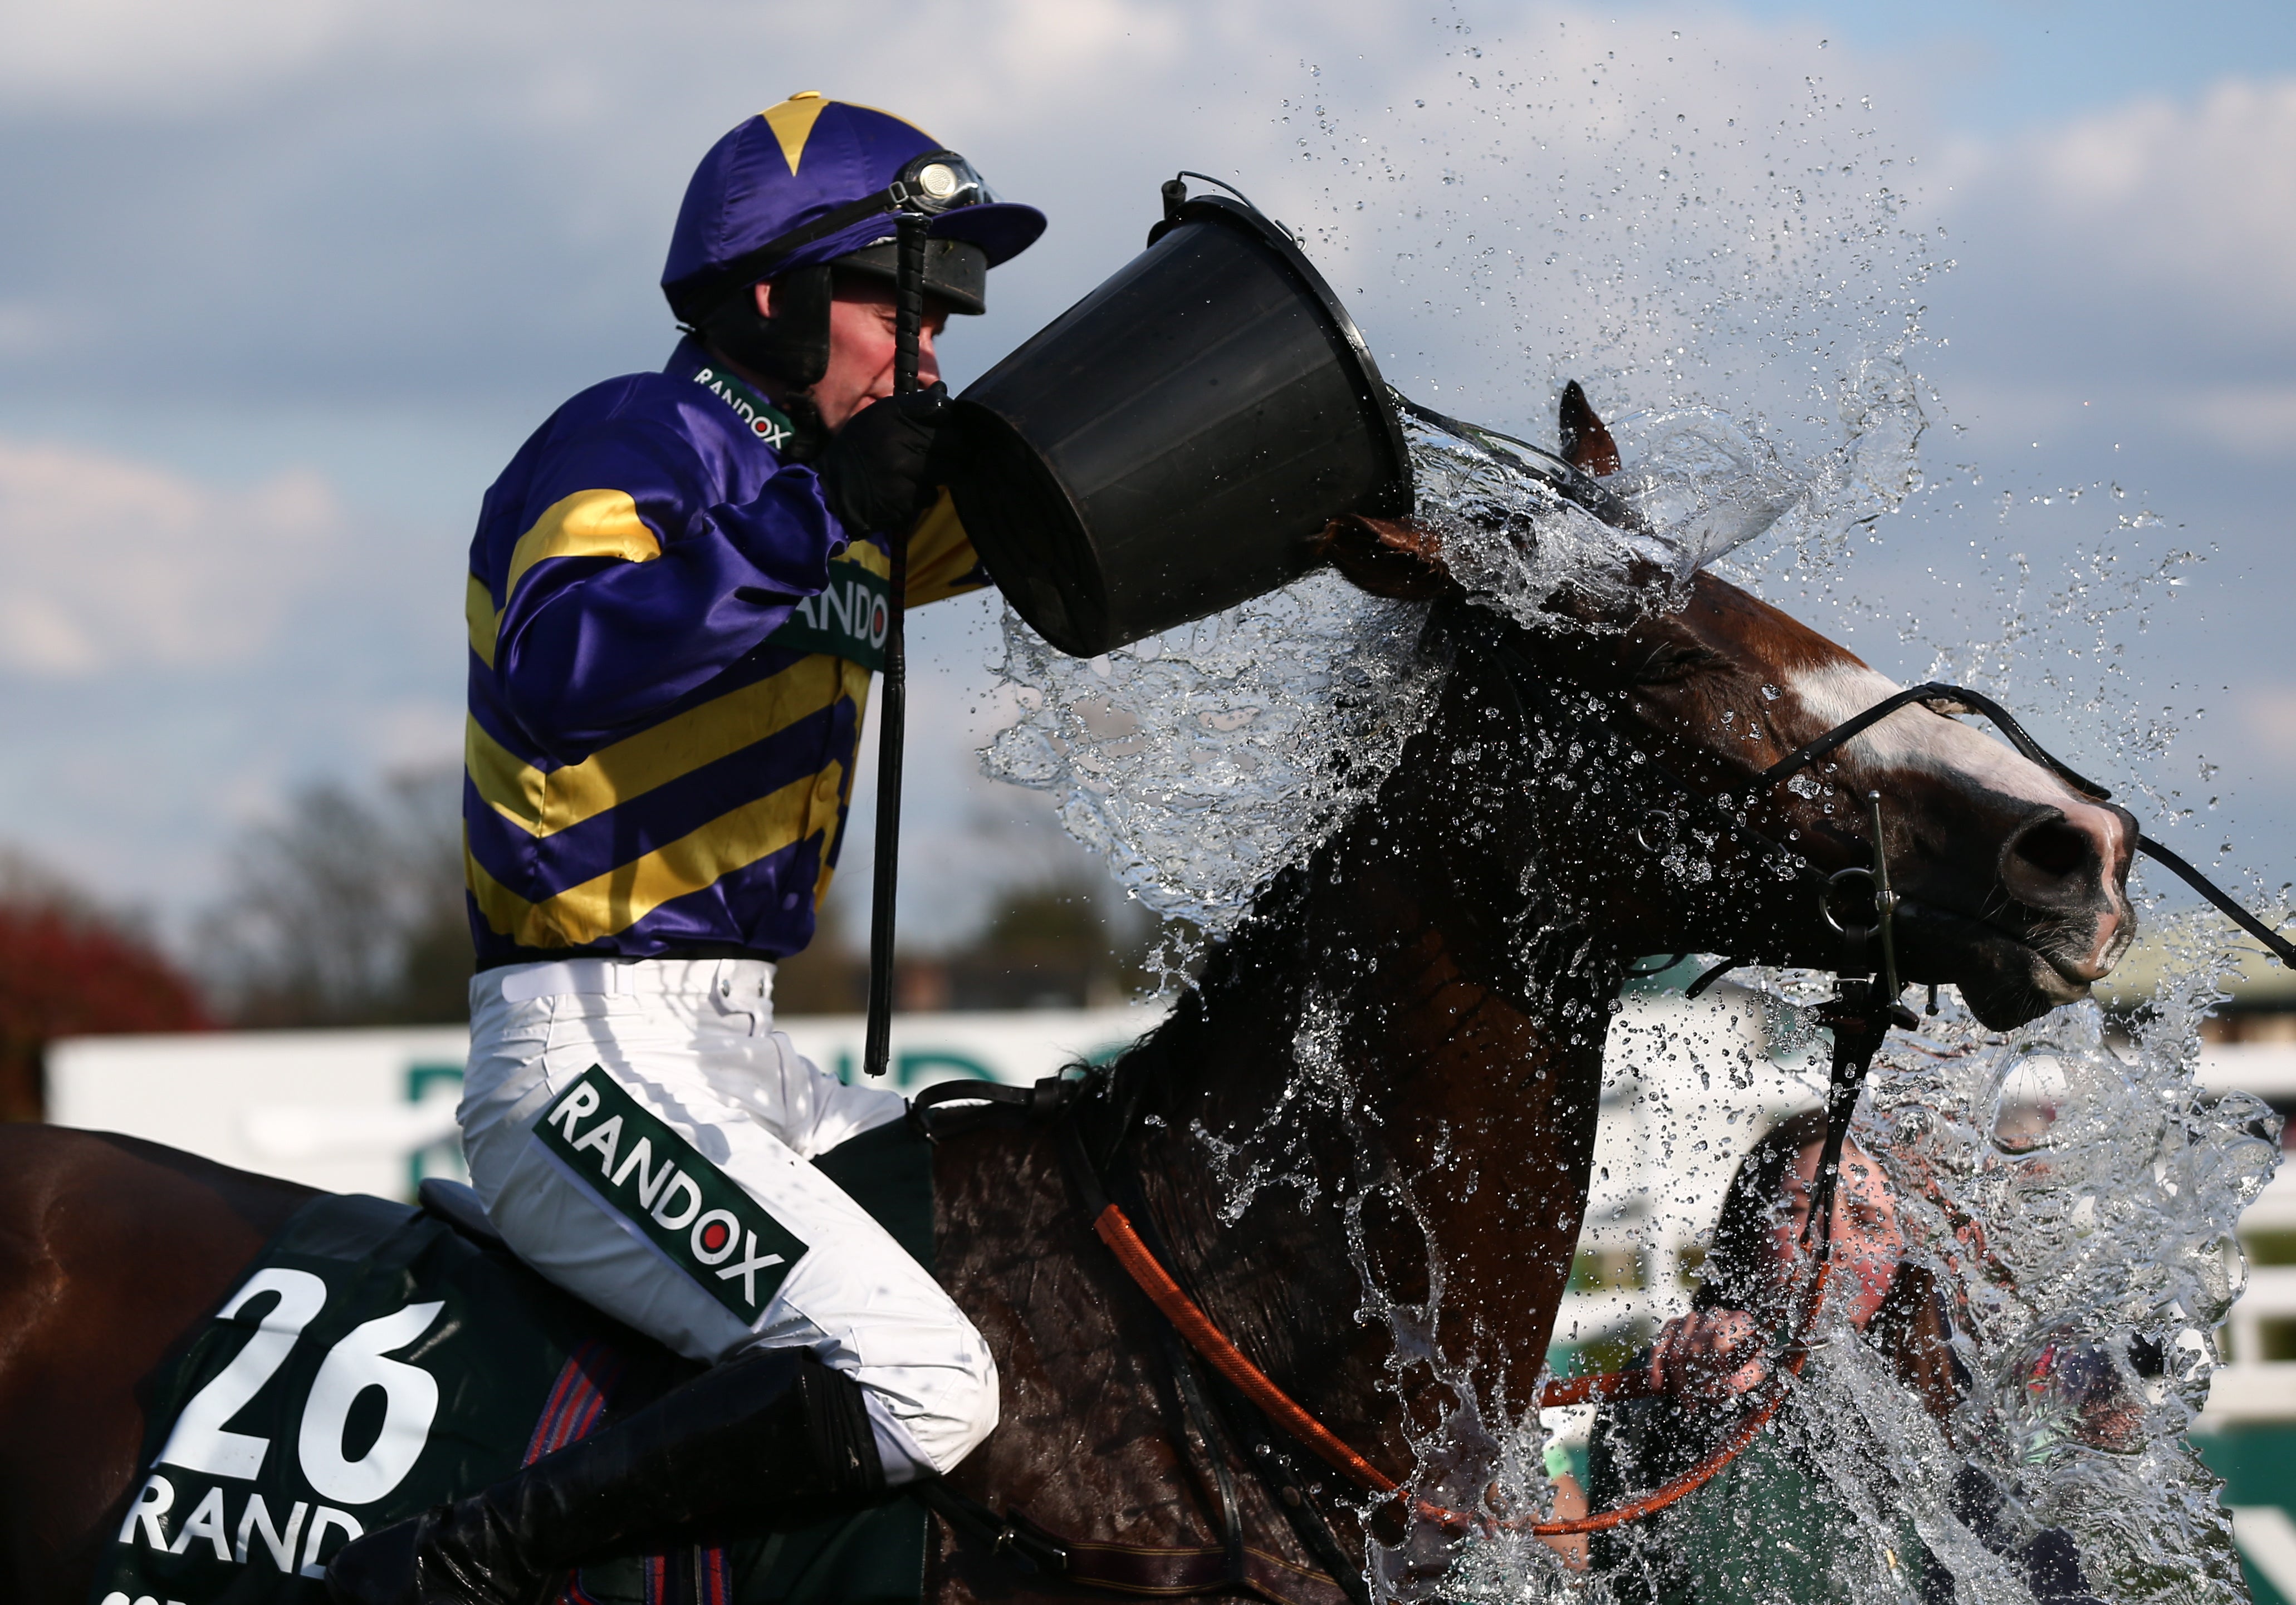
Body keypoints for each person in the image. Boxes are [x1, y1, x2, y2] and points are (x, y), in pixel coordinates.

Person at [326, 95, 1045, 1605]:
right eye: (893, 305)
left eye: (945, 318)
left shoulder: (844, 490)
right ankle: (453, 1569)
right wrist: (811, 518)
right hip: (579, 1066)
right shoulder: (630, 435)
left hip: (748, 1055)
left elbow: (1084, 514)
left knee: (1035, 1275)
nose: (926, 350)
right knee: (927, 1382)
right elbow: (561, 667)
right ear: (773, 302)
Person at [1586, 1111, 2103, 1605]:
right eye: (1798, 1211)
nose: (1829, 1243)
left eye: (1866, 1220)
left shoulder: (1952, 1415)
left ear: (1902, 1262)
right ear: (1749, 1235)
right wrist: (1692, 1381)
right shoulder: (1675, 1376)